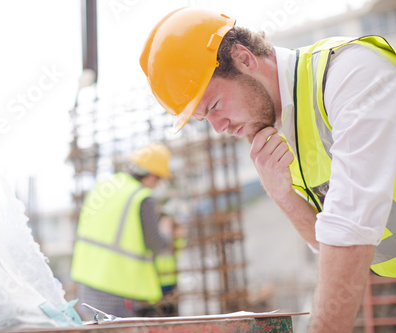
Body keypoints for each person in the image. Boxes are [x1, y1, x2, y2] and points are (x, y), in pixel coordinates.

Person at [140, 7, 396, 332]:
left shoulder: (349, 74)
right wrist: (284, 196)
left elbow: (351, 226)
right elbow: (324, 241)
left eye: (215, 106)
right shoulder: (281, 125)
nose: (219, 128)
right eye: (205, 119)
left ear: (244, 59)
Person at [71, 143, 172, 320]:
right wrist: (167, 227)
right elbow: (156, 244)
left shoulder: (101, 188)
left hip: (86, 281)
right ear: (151, 176)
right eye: (159, 180)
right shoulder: (141, 197)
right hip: (116, 286)